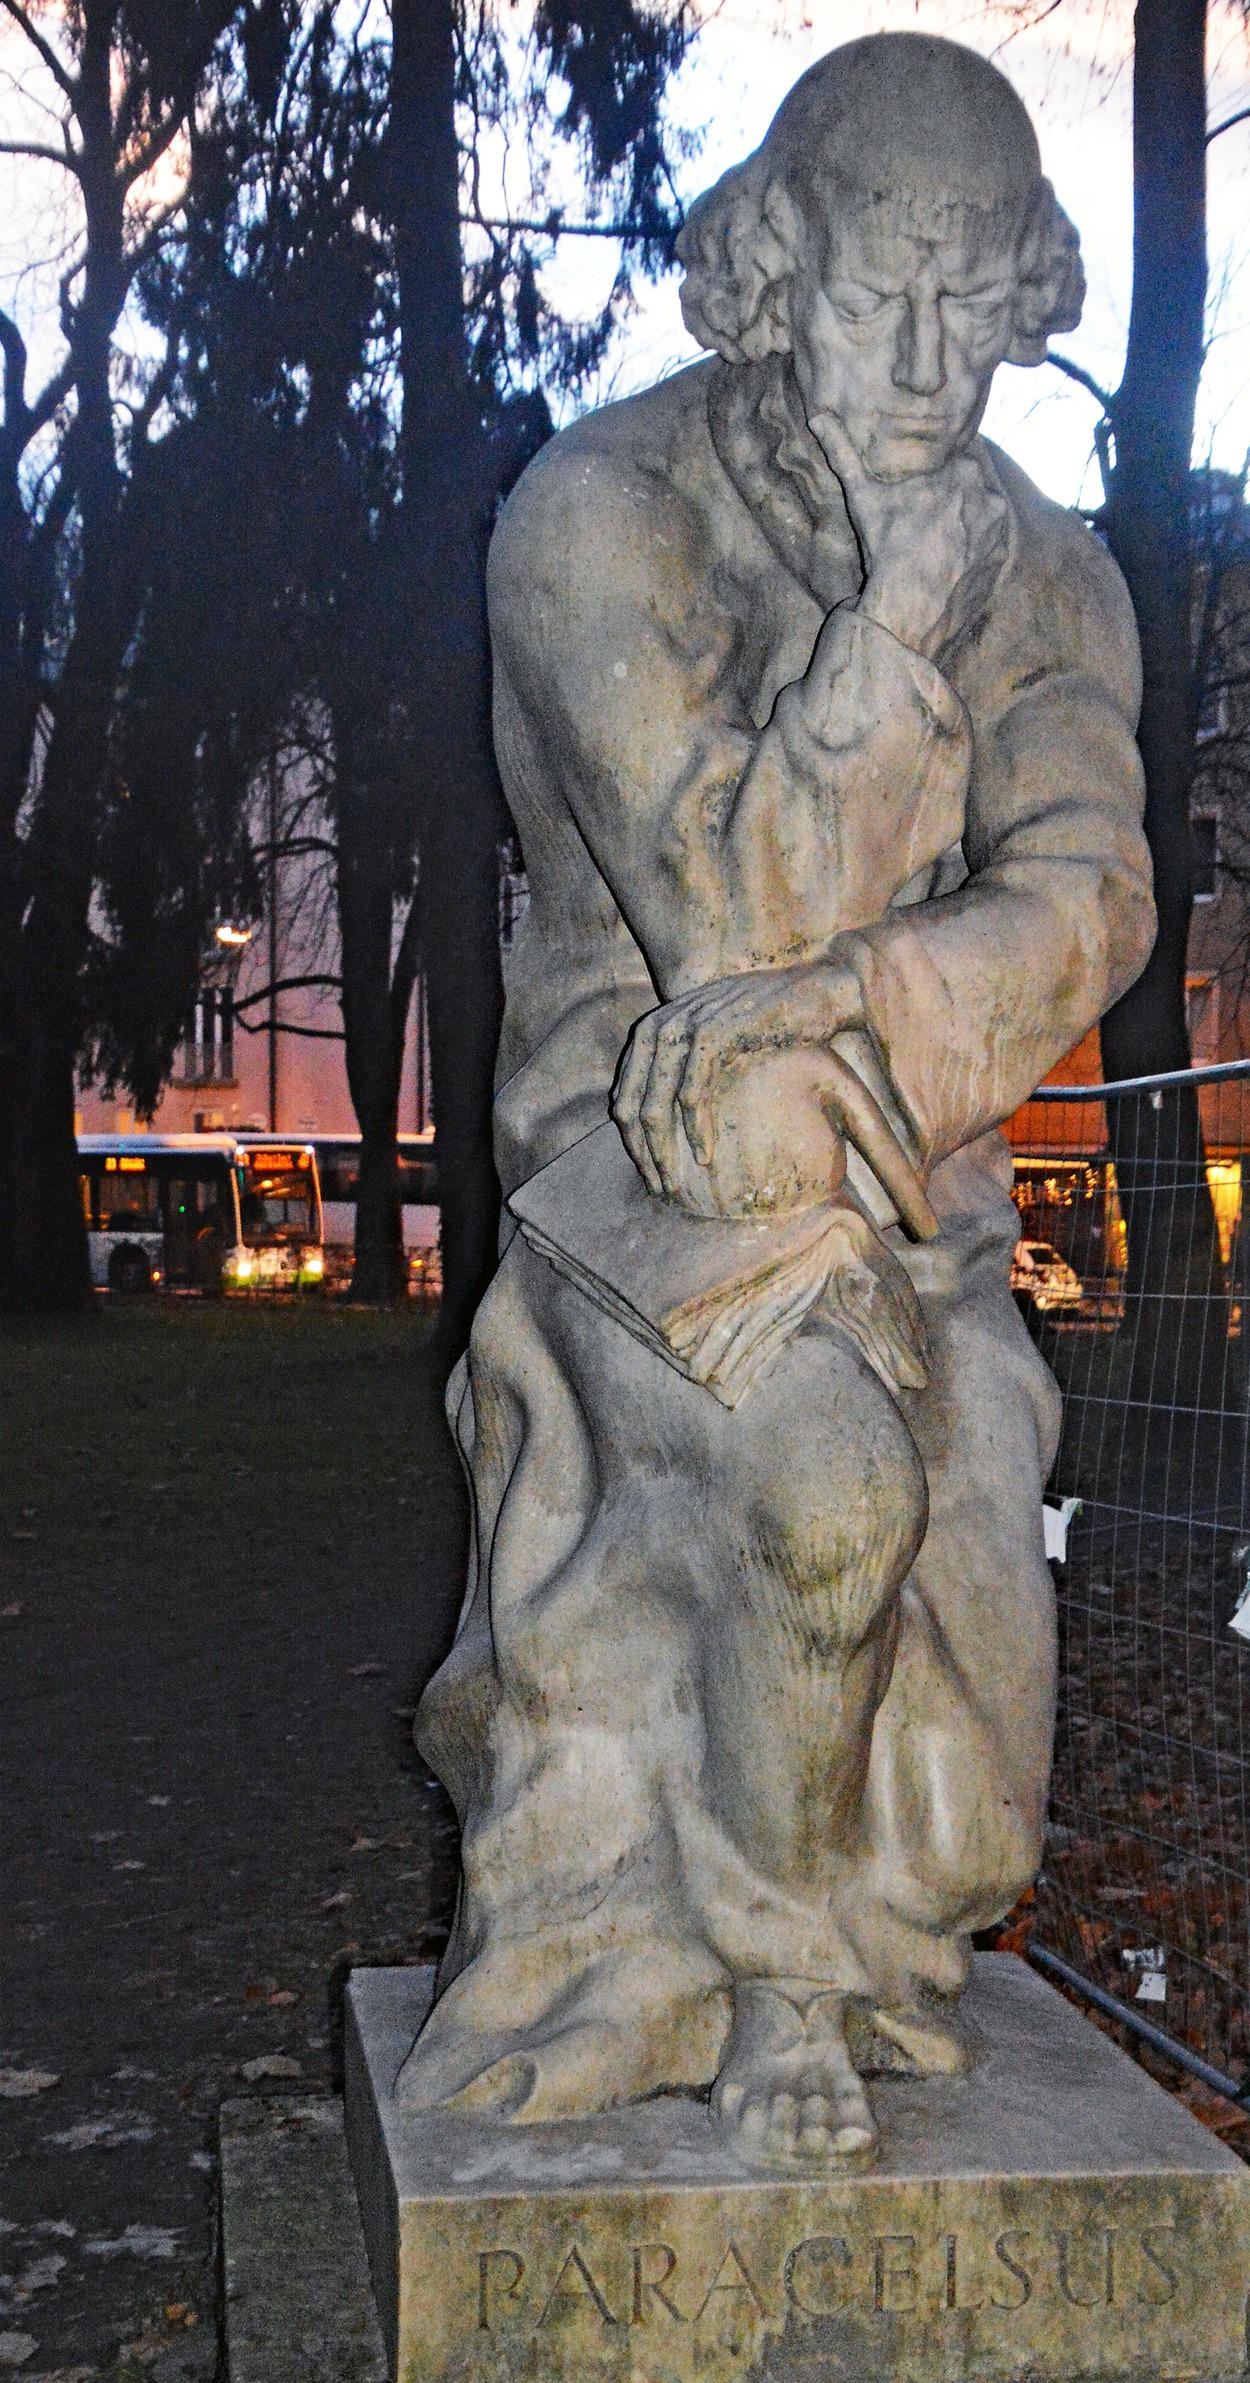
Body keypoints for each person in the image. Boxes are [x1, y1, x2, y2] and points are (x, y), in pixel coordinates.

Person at [396, 32, 1155, 2168]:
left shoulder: (1057, 569)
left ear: (1024, 285)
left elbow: (1086, 905)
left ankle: (853, 1927)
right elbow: (722, 899)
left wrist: (833, 1018)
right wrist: (891, 637)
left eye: (973, 288)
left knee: (972, 1689)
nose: (926, 352)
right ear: (776, 255)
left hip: (896, 1203)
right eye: (875, 279)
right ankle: (765, 1975)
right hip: (637, 1200)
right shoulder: (600, 517)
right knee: (826, 1495)